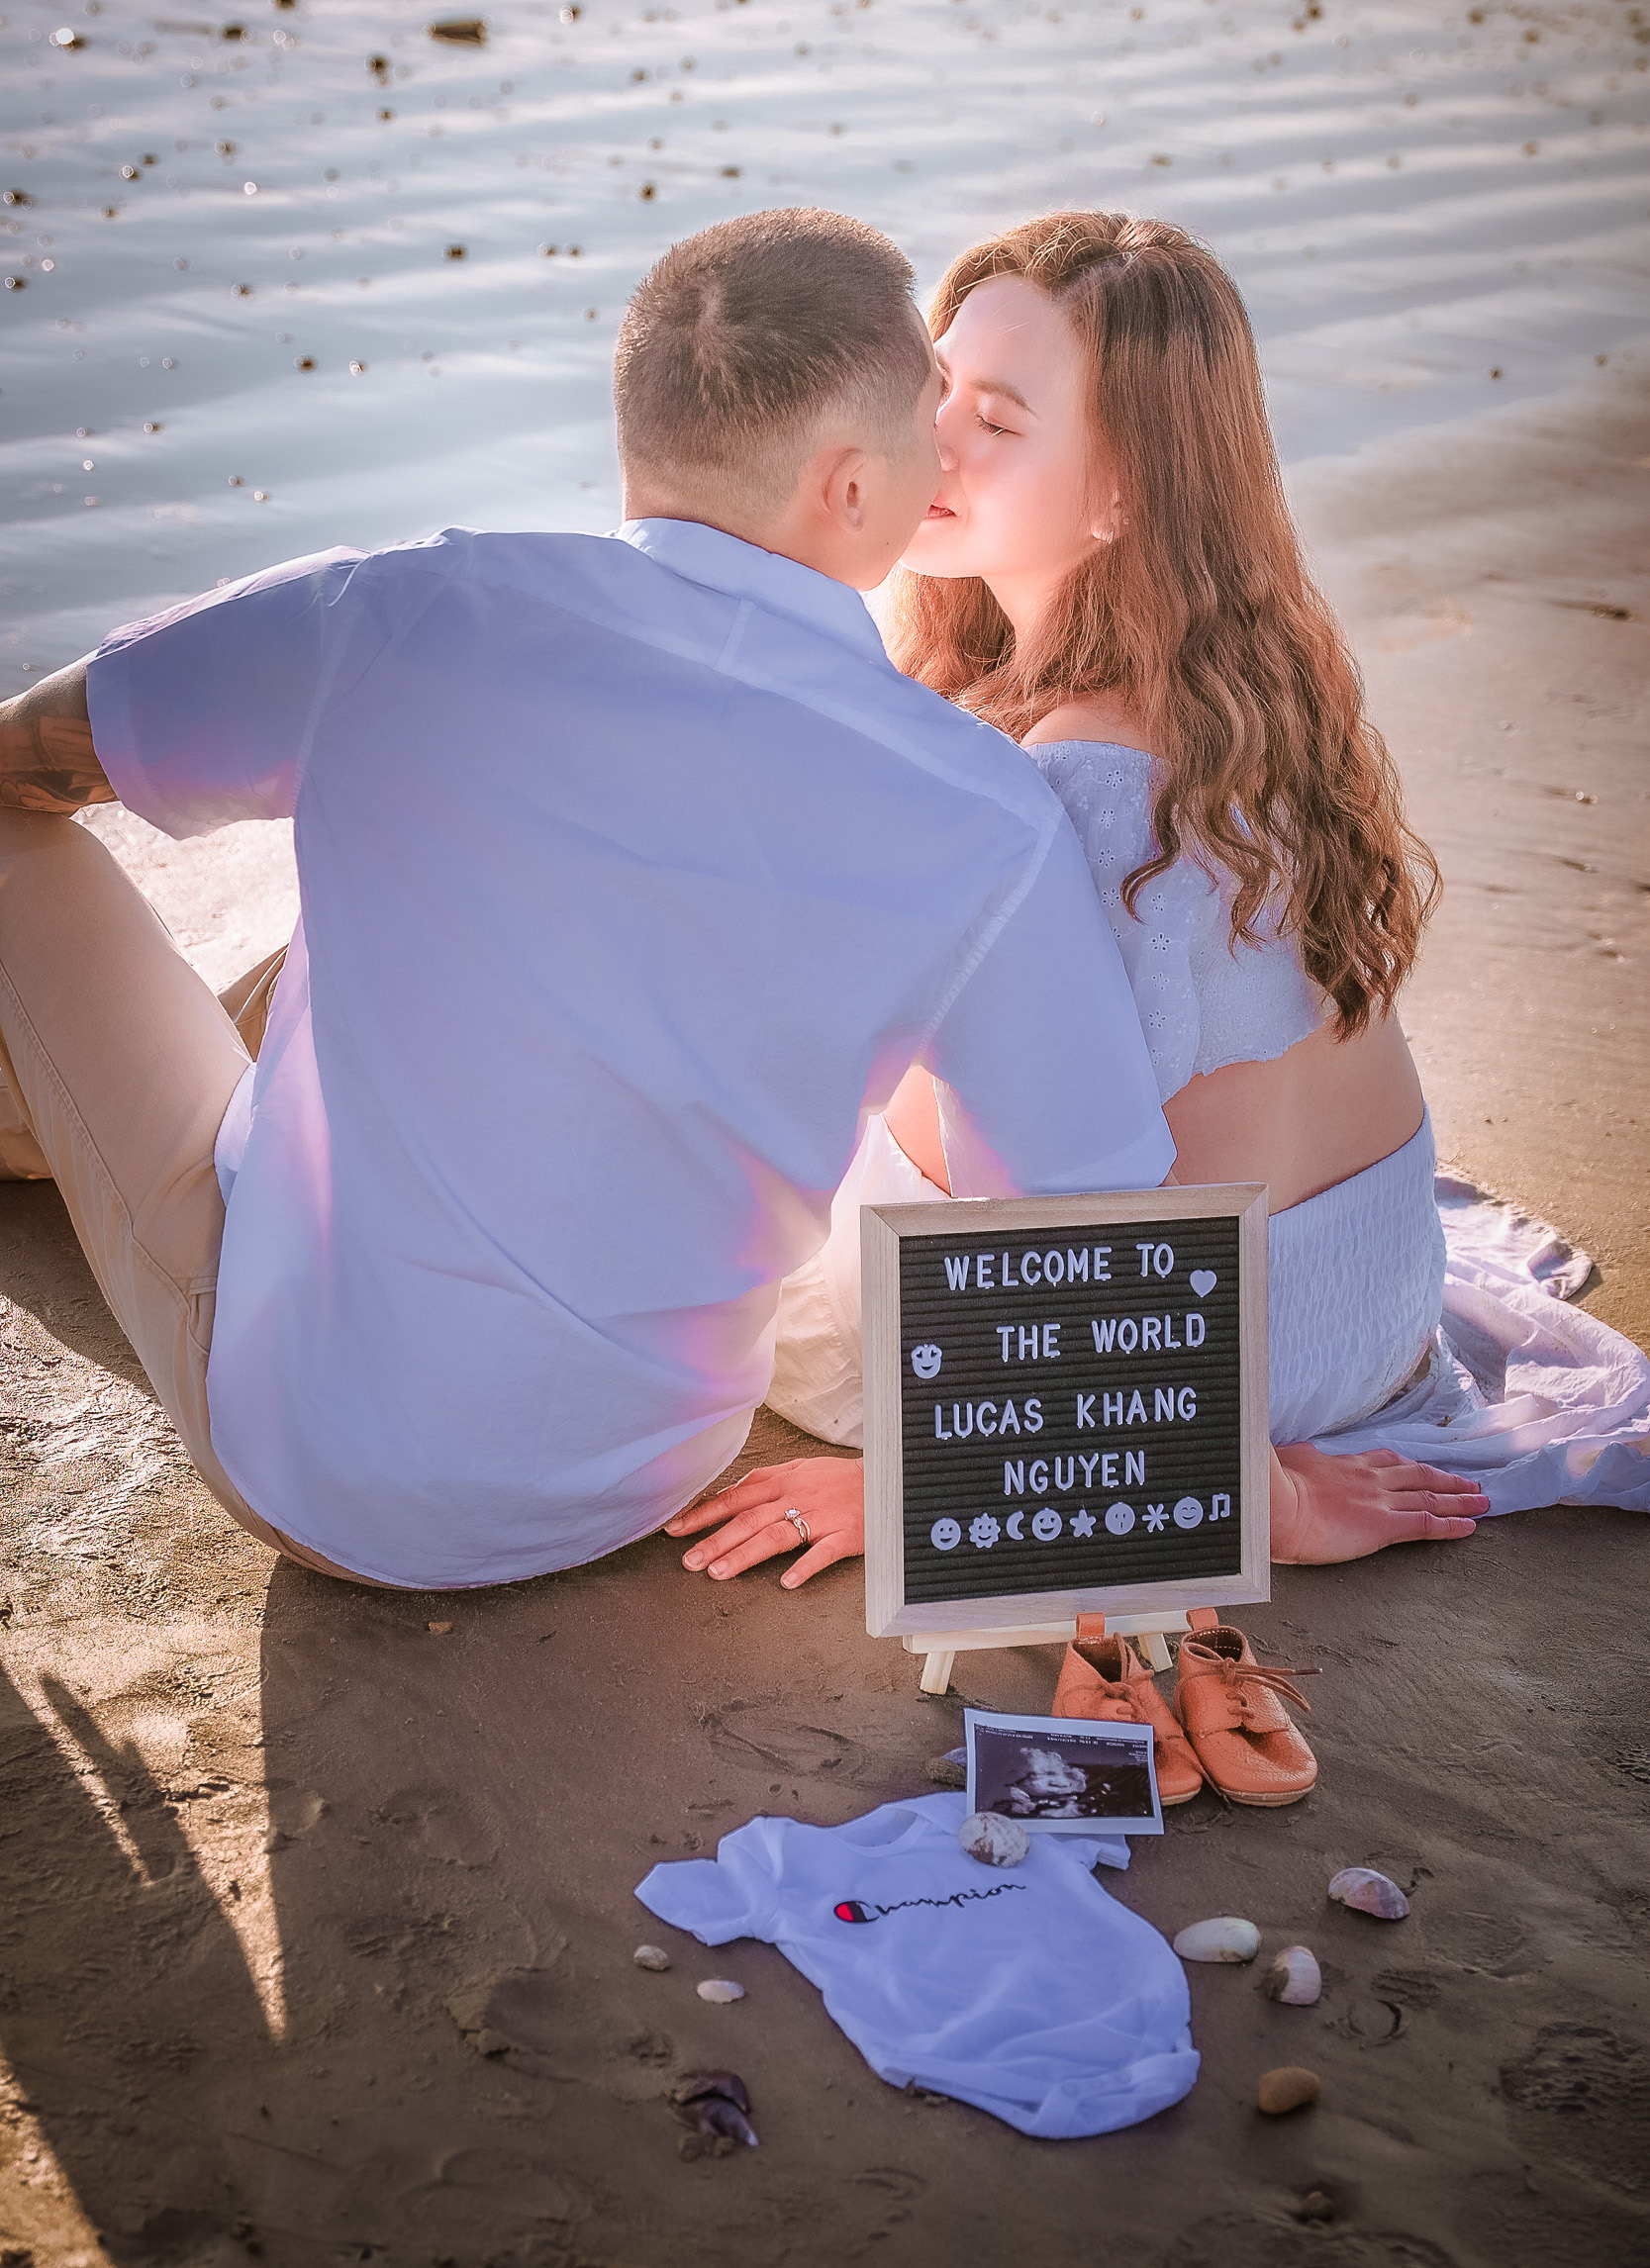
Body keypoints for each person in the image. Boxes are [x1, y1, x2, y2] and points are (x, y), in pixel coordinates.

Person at [0, 207, 1174, 1593]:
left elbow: (37, 753)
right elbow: (1100, 1239)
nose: (947, 451)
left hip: (333, 1478)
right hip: (654, 1468)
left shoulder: (407, 610)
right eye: (932, 412)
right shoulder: (986, 816)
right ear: (854, 488)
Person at [741, 210, 1494, 1577]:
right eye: (935, 392)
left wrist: (928, 1486)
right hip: (1364, 1291)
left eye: (998, 421)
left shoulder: (1093, 783)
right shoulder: (1224, 699)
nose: (933, 442)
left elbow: (1115, 1210)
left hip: (1201, 1368)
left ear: (1123, 494)